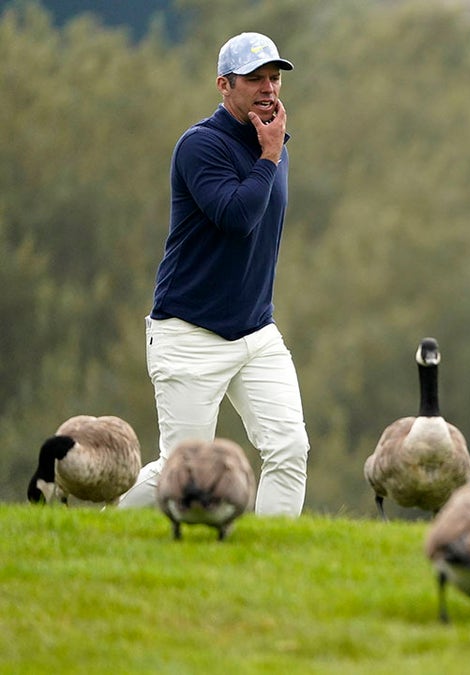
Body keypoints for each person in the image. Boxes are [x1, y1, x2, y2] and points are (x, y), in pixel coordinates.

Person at [118, 32, 310, 516]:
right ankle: (108, 527)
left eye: (274, 78)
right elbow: (237, 218)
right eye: (254, 79)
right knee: (180, 471)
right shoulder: (200, 145)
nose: (268, 89)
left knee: (289, 450)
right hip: (189, 332)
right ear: (224, 85)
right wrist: (268, 156)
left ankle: (268, 561)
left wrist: (271, 153)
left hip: (255, 332)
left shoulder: (275, 146)